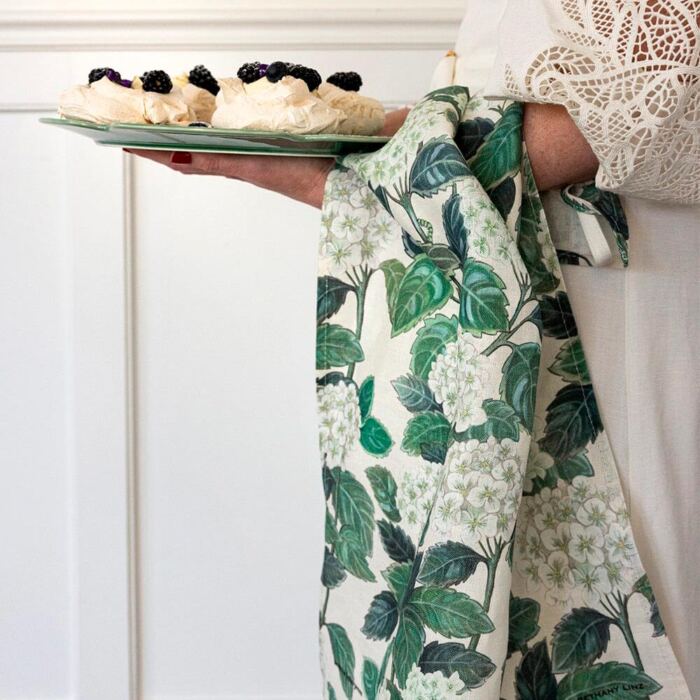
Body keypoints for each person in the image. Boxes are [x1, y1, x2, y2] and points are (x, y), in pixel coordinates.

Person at [129, 1, 699, 695]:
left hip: (617, 298)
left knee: (618, 591)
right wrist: (383, 143)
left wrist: (360, 179)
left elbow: (664, 90)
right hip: (498, 258)